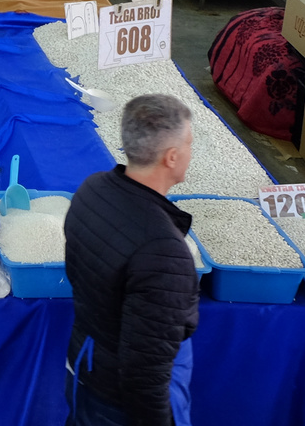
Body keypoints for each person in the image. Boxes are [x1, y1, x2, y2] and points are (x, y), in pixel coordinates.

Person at [63, 94, 200, 426]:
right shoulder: (163, 252)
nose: (191, 153)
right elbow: (145, 374)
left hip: (84, 359)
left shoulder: (91, 190)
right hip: (118, 401)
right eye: (190, 143)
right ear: (171, 157)